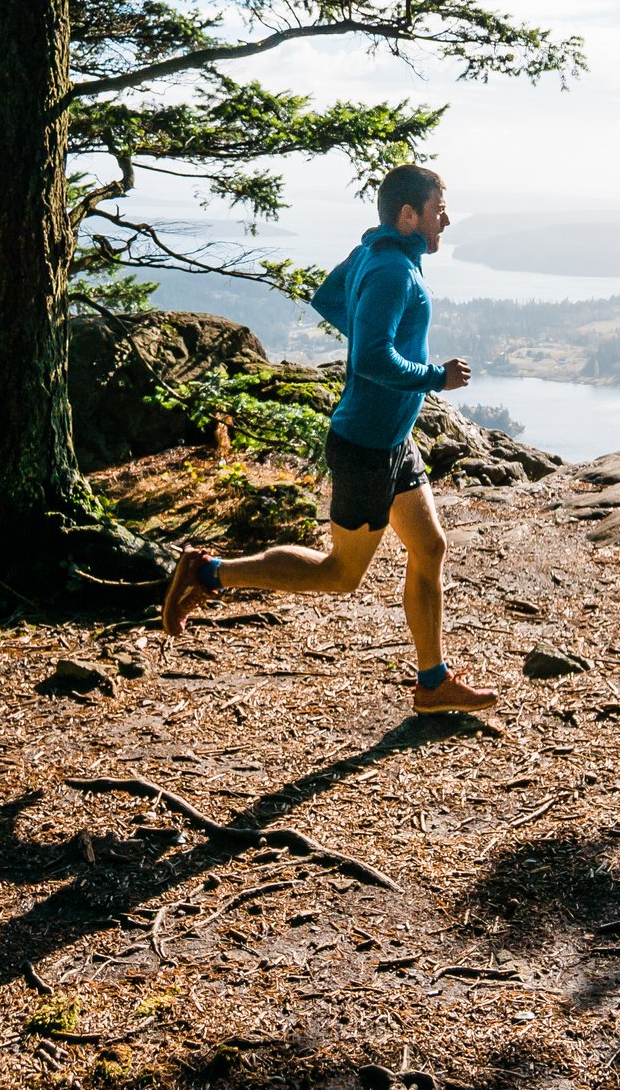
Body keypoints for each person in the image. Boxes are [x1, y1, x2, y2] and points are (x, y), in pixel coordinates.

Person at [162, 163, 499, 714]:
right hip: (366, 446)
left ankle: (432, 683)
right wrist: (435, 377)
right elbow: (370, 359)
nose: (447, 219)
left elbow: (327, 298)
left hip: (391, 441)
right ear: (408, 215)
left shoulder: (375, 253)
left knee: (430, 546)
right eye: (439, 209)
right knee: (338, 573)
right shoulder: (394, 271)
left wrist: (371, 331)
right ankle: (208, 572)